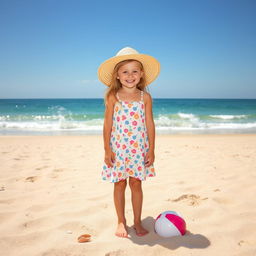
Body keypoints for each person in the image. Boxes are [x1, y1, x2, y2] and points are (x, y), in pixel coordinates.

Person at [98, 47, 160, 238]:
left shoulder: (145, 97)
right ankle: (121, 221)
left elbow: (150, 123)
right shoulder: (112, 97)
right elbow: (107, 125)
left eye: (134, 71)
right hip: (118, 149)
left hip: (138, 149)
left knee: (136, 183)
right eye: (125, 71)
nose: (130, 75)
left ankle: (137, 221)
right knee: (119, 184)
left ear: (141, 75)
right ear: (117, 75)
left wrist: (151, 150)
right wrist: (107, 150)